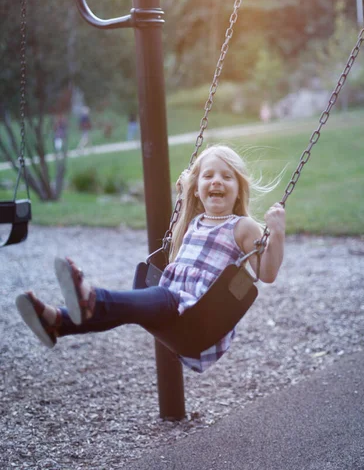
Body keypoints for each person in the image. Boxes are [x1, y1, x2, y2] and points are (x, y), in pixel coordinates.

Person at [15, 145, 286, 373]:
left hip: (200, 313)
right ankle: (56, 321)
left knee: (148, 299)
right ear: (196, 189)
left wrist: (277, 233)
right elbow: (177, 250)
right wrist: (181, 196)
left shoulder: (244, 226)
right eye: (208, 176)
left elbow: (268, 274)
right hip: (171, 301)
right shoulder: (194, 221)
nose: (216, 181)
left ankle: (92, 297)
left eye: (227, 177)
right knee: (128, 308)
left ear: (239, 189)